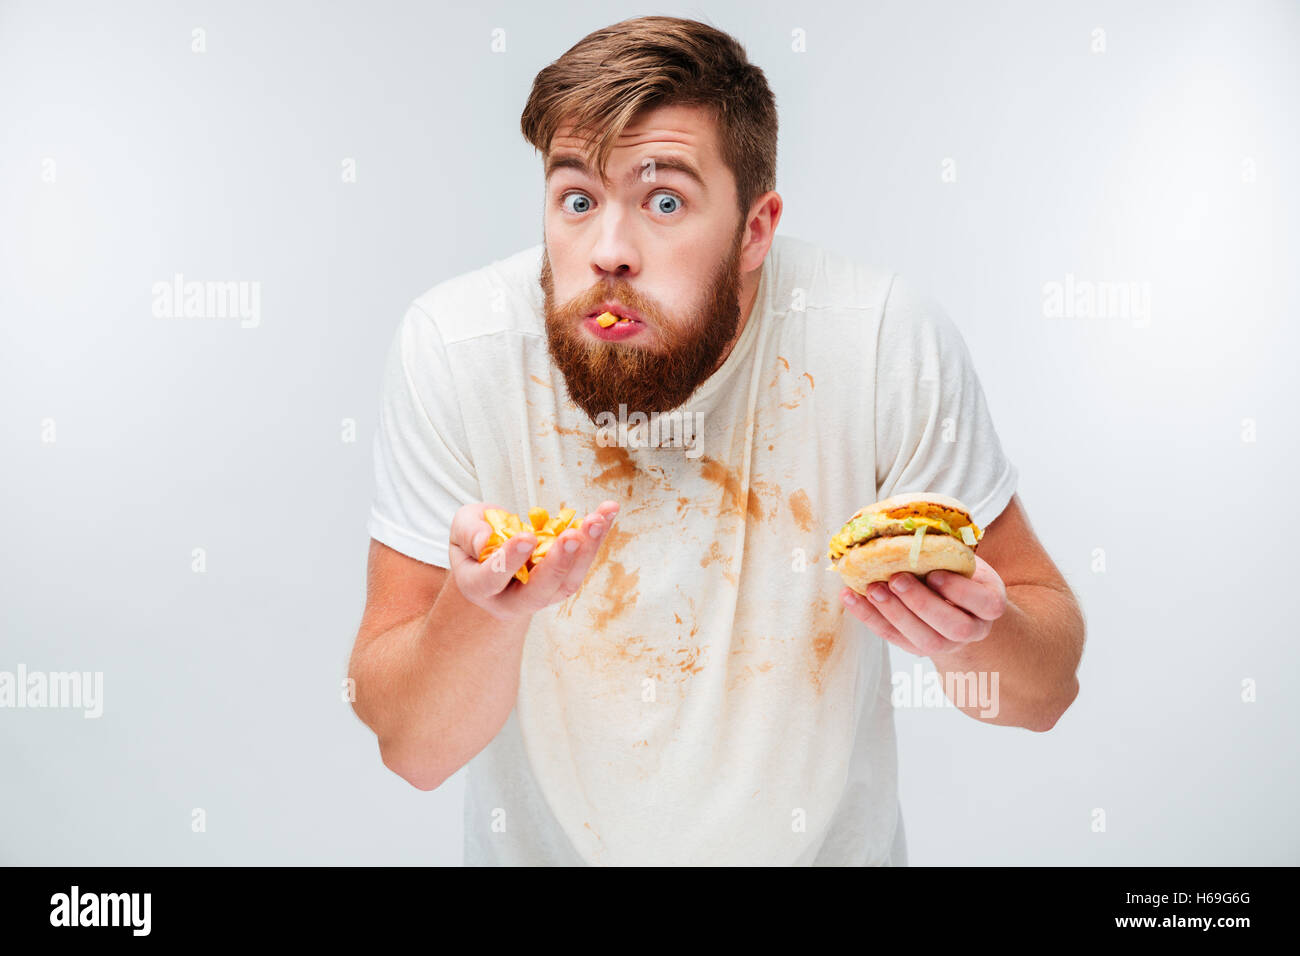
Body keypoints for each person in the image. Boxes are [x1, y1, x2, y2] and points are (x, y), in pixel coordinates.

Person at [347, 15, 1084, 866]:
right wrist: (481, 615)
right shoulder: (457, 348)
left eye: (665, 201)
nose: (608, 253)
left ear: (756, 231)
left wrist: (968, 634)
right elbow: (411, 750)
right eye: (577, 199)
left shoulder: (878, 339)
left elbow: (1044, 694)